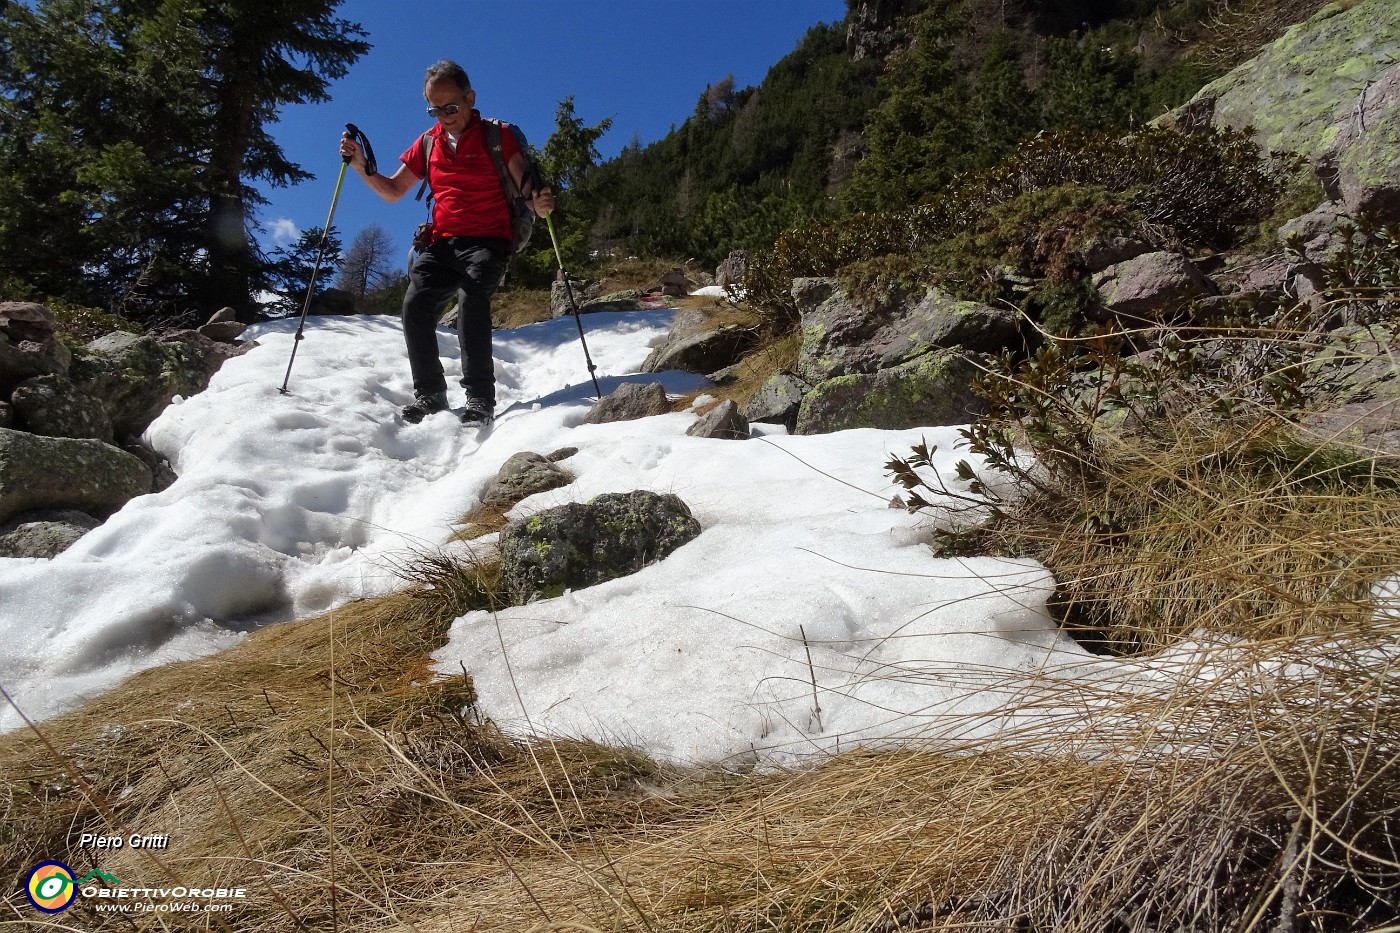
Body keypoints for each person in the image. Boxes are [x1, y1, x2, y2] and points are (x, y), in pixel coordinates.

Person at [338, 59, 555, 425]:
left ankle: (480, 399)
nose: (443, 115)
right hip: (442, 242)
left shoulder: (496, 136)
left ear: (470, 98)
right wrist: (360, 164)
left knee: (472, 298)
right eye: (434, 109)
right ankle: (431, 395)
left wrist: (539, 203)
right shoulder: (428, 143)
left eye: (450, 107)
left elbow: (525, 184)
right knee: (415, 304)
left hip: (491, 238)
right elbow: (392, 191)